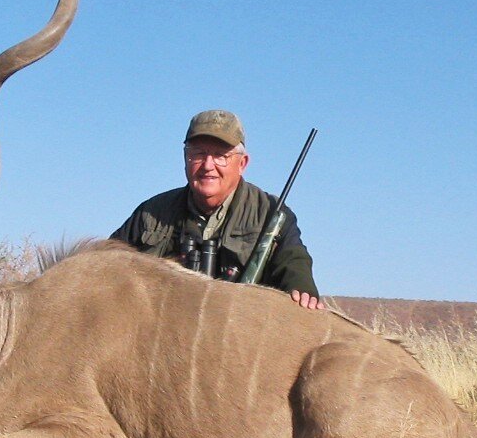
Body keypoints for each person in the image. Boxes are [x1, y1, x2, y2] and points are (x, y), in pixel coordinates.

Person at [111, 110, 324, 309]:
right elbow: (109, 261)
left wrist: (302, 287)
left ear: (242, 163)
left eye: (220, 155)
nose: (207, 165)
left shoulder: (270, 214)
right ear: (185, 158)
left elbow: (293, 259)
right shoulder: (151, 213)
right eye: (198, 154)